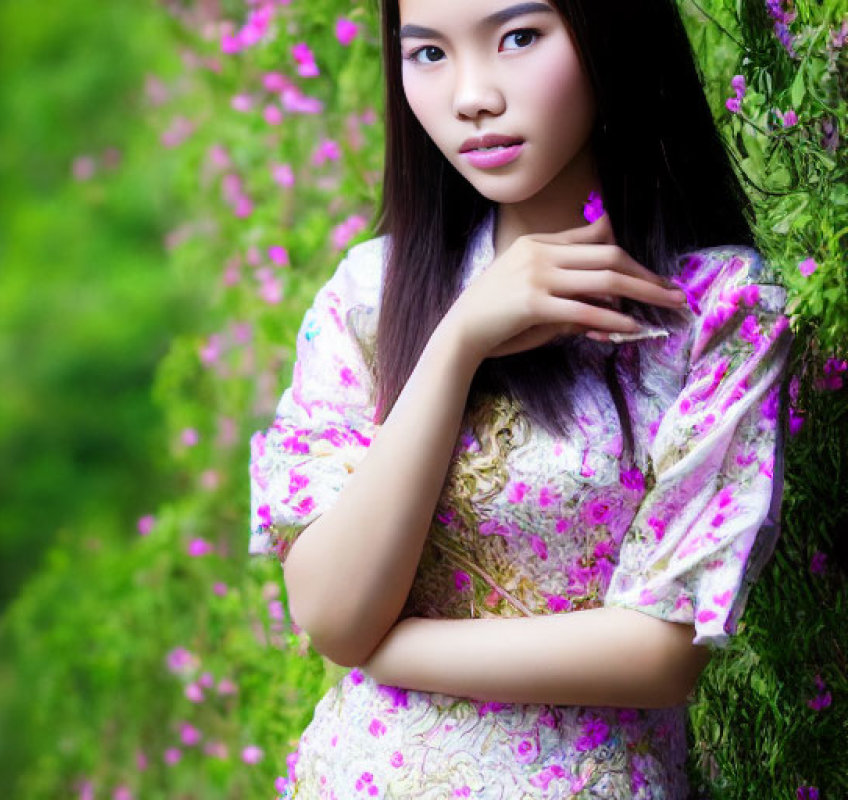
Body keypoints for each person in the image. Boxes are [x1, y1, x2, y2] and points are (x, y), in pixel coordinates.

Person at [247, 0, 794, 796]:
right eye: (428, 54)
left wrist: (387, 650)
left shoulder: (717, 308)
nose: (472, 94)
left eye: (518, 37)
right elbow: (332, 607)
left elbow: (661, 653)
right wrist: (456, 342)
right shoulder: (368, 297)